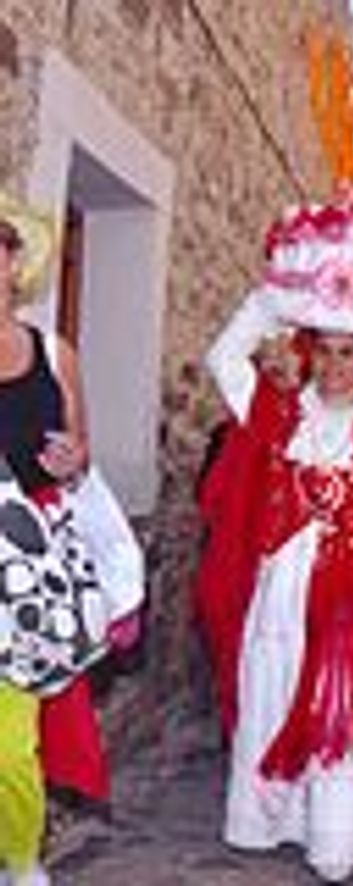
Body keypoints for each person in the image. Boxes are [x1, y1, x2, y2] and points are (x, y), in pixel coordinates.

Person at [202, 293, 353, 883]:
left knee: (342, 699)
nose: (335, 365)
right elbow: (225, 358)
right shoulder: (280, 413)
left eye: (348, 353)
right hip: (286, 581)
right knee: (277, 688)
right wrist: (267, 305)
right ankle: (274, 819)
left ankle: (337, 831)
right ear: (310, 354)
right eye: (324, 351)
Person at [0, 196, 139, 886]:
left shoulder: (54, 353)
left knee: (10, 745)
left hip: (30, 579)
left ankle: (21, 863)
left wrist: (73, 458)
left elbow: (81, 451)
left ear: (14, 261)